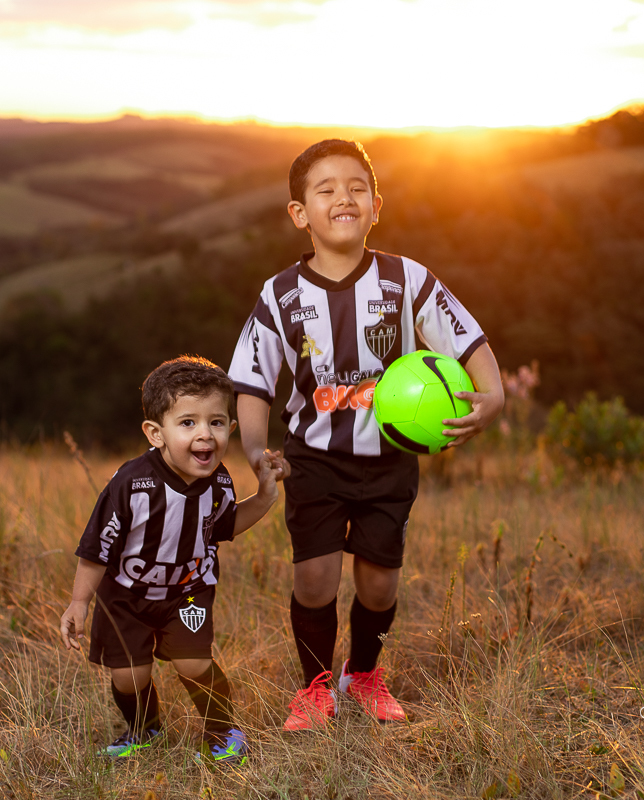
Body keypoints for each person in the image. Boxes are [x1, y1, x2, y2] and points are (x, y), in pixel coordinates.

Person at [228, 139, 505, 730]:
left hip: (390, 460)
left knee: (378, 584)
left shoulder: (408, 280)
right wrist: (256, 451)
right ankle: (315, 686)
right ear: (300, 213)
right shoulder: (279, 298)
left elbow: (469, 339)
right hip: (313, 459)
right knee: (315, 576)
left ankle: (364, 674)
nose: (342, 198)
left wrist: (494, 396)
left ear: (376, 205)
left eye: (356, 187)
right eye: (324, 189)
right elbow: (252, 383)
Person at [59, 356, 286, 765]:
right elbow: (97, 549)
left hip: (189, 591)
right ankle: (144, 729)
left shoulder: (218, 482)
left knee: (193, 663)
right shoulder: (130, 484)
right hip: (126, 594)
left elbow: (226, 525)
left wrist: (266, 497)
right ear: (156, 433)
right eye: (188, 423)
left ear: (231, 429)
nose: (205, 435)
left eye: (216, 422)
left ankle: (222, 732)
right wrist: (79, 601)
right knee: (130, 675)